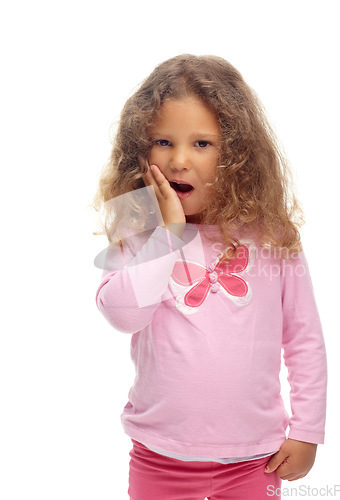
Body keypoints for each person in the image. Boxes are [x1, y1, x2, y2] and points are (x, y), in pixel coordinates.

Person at [92, 54, 327, 500]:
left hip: (255, 457)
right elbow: (122, 315)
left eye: (203, 144)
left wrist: (308, 428)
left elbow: (304, 337)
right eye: (163, 141)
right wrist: (168, 233)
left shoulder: (271, 232)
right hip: (159, 455)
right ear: (139, 148)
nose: (180, 160)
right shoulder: (138, 226)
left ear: (237, 155)